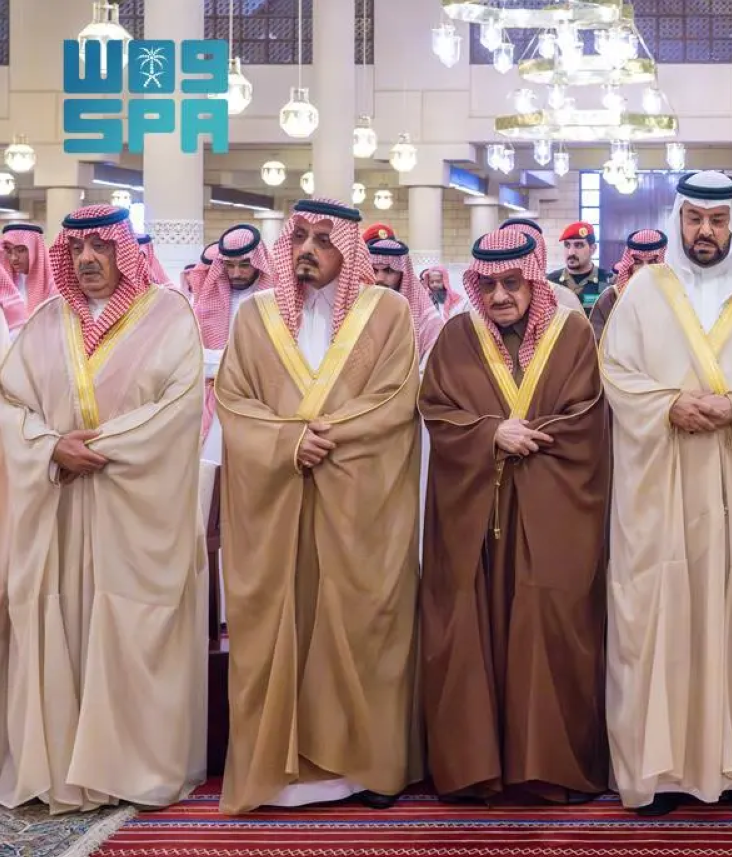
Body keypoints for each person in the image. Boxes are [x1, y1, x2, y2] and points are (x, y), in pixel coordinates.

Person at [598, 170, 732, 818]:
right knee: (658, 620)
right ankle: (659, 777)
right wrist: (668, 404)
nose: (705, 231)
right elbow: (616, 370)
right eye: (694, 219)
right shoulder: (644, 292)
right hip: (661, 495)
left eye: (717, 220)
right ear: (679, 221)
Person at [213, 196, 423, 815]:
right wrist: (288, 444)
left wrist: (321, 440)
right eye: (300, 236)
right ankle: (277, 768)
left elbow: (395, 398)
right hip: (275, 501)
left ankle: (366, 766)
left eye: (324, 240)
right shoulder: (254, 316)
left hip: (359, 502)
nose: (308, 249)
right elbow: (234, 400)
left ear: (350, 250)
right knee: (275, 623)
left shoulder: (388, 312)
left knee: (363, 623)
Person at [0, 204, 206, 812]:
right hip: (59, 508)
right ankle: (62, 765)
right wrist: (50, 447)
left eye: (102, 247)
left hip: (135, 511)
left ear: (126, 249)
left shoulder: (171, 316)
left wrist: (94, 450)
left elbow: (179, 409)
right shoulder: (45, 321)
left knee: (132, 625)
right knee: (61, 624)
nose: (88, 259)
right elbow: (10, 405)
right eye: (78, 249)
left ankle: (130, 768)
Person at [418, 229, 611, 804]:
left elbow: (588, 414)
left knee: (549, 626)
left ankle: (547, 767)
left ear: (533, 280)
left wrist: (526, 438)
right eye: (488, 285)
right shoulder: (457, 336)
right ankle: (476, 767)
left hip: (552, 513)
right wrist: (489, 434)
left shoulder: (571, 333)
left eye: (512, 283)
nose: (500, 295)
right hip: (474, 518)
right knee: (470, 631)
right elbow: (436, 408)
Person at [194, 223, 276, 465]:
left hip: (259, 399)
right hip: (213, 399)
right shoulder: (209, 300)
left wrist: (217, 363)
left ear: (258, 263)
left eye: (244, 265)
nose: (236, 273)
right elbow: (194, 356)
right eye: (229, 265)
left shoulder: (275, 299)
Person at [367, 235, 445, 361]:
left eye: (388, 271)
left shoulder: (426, 318)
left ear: (403, 274)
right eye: (374, 270)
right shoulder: (357, 308)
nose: (379, 278)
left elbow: (434, 361)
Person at [587, 228, 667, 339]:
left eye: (652, 262)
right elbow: (597, 342)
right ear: (630, 265)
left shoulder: (673, 296)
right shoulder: (611, 297)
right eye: (638, 262)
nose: (644, 269)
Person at [500, 218, 585, 315]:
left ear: (539, 256)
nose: (516, 263)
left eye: (526, 258)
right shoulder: (489, 300)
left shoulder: (565, 299)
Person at [3, 222, 53, 329]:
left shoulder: (54, 285)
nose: (13, 258)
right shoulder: (6, 284)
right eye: (9, 251)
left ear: (35, 250)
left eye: (21, 250)